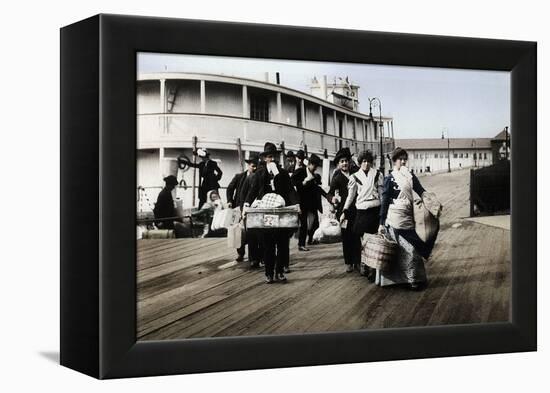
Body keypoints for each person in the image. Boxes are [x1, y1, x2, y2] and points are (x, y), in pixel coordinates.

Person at [379, 147, 437, 290]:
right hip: (395, 220)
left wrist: (428, 201)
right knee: (406, 250)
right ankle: (407, 280)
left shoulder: (411, 176)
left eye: (405, 159)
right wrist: (381, 223)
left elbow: (421, 190)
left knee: (414, 249)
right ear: (394, 161)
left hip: (409, 218)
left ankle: (414, 278)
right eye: (400, 159)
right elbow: (385, 202)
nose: (403, 162)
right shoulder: (389, 178)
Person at [245, 142, 298, 283]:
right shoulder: (259, 174)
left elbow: (290, 190)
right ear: (264, 159)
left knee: (282, 244)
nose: (272, 159)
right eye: (269, 157)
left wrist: (296, 205)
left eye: (273, 156)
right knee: (268, 245)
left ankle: (279, 271)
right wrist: (246, 204)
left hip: (281, 212)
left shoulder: (283, 173)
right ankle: (269, 273)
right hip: (266, 213)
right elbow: (253, 190)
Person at [342, 150, 383, 277]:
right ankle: (363, 263)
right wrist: (344, 210)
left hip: (375, 209)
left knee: (373, 239)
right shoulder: (354, 177)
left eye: (368, 161)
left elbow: (382, 194)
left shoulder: (377, 175)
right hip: (361, 211)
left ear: (371, 162)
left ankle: (372, 267)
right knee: (360, 239)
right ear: (360, 163)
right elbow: (351, 196)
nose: (366, 164)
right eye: (363, 161)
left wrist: (384, 211)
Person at [327, 147, 360, 272]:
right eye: (341, 161)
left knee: (356, 236)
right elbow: (329, 194)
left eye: (346, 161)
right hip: (343, 213)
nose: (344, 163)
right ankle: (348, 262)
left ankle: (357, 261)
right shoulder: (337, 177)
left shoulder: (356, 173)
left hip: (356, 209)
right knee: (346, 237)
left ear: (349, 161)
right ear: (338, 164)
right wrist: (333, 199)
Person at [226, 154, 259, 262]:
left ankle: (252, 256)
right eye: (253, 166)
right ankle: (240, 253)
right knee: (237, 230)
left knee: (251, 232)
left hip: (252, 209)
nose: (255, 168)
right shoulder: (239, 176)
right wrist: (230, 201)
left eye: (256, 166)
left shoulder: (257, 177)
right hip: (238, 207)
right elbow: (230, 188)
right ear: (248, 165)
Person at [291, 153, 323, 251]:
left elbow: (318, 189)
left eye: (316, 166)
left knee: (314, 223)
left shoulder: (315, 176)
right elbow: (292, 183)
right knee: (304, 224)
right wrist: (303, 182)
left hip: (312, 203)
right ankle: (301, 244)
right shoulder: (300, 172)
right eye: (313, 165)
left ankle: (310, 239)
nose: (314, 168)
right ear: (309, 164)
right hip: (302, 202)